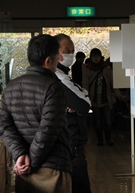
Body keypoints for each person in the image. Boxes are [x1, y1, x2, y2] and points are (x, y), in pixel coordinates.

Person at [0, 34, 72, 193]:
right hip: (52, 169)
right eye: (56, 59)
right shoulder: (53, 87)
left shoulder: (11, 87)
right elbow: (48, 130)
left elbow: (3, 125)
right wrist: (31, 162)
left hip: (24, 170)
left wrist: (21, 155)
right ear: (47, 61)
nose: (58, 62)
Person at [54, 34, 92, 193]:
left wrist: (78, 97)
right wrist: (78, 99)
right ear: (55, 53)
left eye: (72, 50)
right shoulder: (58, 76)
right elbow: (84, 105)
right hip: (70, 141)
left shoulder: (63, 75)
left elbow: (81, 99)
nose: (70, 54)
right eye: (66, 50)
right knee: (79, 184)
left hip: (68, 141)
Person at [82, 48, 121, 146]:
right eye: (93, 56)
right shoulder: (87, 68)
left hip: (106, 99)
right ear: (90, 57)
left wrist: (118, 95)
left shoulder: (107, 68)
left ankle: (108, 139)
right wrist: (85, 97)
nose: (96, 58)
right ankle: (100, 140)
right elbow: (85, 84)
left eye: (97, 56)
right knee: (98, 121)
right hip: (94, 99)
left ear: (101, 57)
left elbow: (113, 83)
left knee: (107, 121)